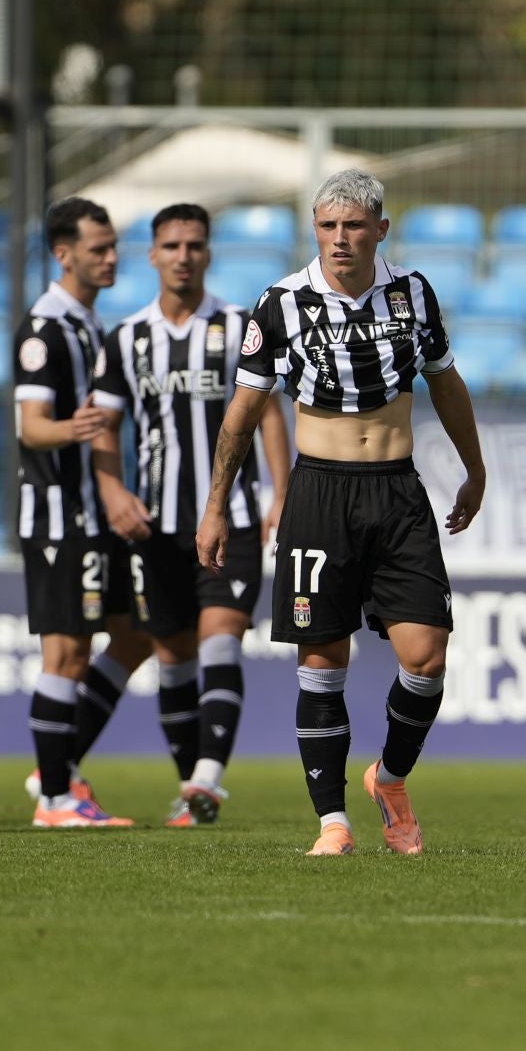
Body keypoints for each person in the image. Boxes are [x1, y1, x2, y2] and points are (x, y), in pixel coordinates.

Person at [197, 168, 484, 857]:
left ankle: (389, 777)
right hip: (319, 494)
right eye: (328, 227)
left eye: (353, 226)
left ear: (380, 229)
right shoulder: (282, 303)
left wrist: (475, 470)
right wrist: (216, 507)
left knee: (427, 656)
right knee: (322, 661)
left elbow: (445, 383)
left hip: (397, 491)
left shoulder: (413, 294)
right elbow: (242, 413)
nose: (340, 239)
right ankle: (333, 823)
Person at [90, 203, 290, 826]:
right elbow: (105, 423)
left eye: (194, 245)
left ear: (208, 254)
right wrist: (111, 491)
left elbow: (270, 414)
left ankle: (208, 779)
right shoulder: (125, 338)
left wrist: (282, 493)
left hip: (229, 515)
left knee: (221, 638)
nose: (183, 255)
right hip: (153, 524)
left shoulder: (239, 327)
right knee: (172, 654)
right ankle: (189, 789)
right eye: (171, 245)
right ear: (151, 256)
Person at [14, 197, 154, 827]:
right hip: (56, 517)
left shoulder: (91, 325)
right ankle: (54, 798)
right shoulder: (45, 328)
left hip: (92, 518)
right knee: (66, 652)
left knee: (132, 636)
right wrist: (79, 426)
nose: (110, 258)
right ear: (63, 254)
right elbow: (32, 428)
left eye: (113, 246)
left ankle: (57, 770)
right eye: (98, 248)